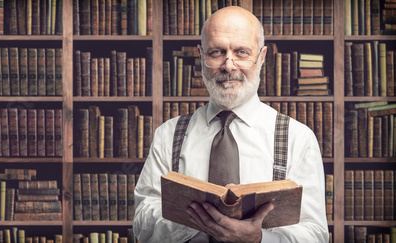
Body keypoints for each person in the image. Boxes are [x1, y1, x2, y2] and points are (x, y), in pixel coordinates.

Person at [133, 6, 329, 243]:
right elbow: (142, 225)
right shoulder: (168, 134)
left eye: (242, 52)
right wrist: (198, 223)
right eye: (216, 52)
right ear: (201, 56)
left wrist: (258, 239)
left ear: (262, 57)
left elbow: (315, 234)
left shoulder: (299, 138)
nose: (229, 65)